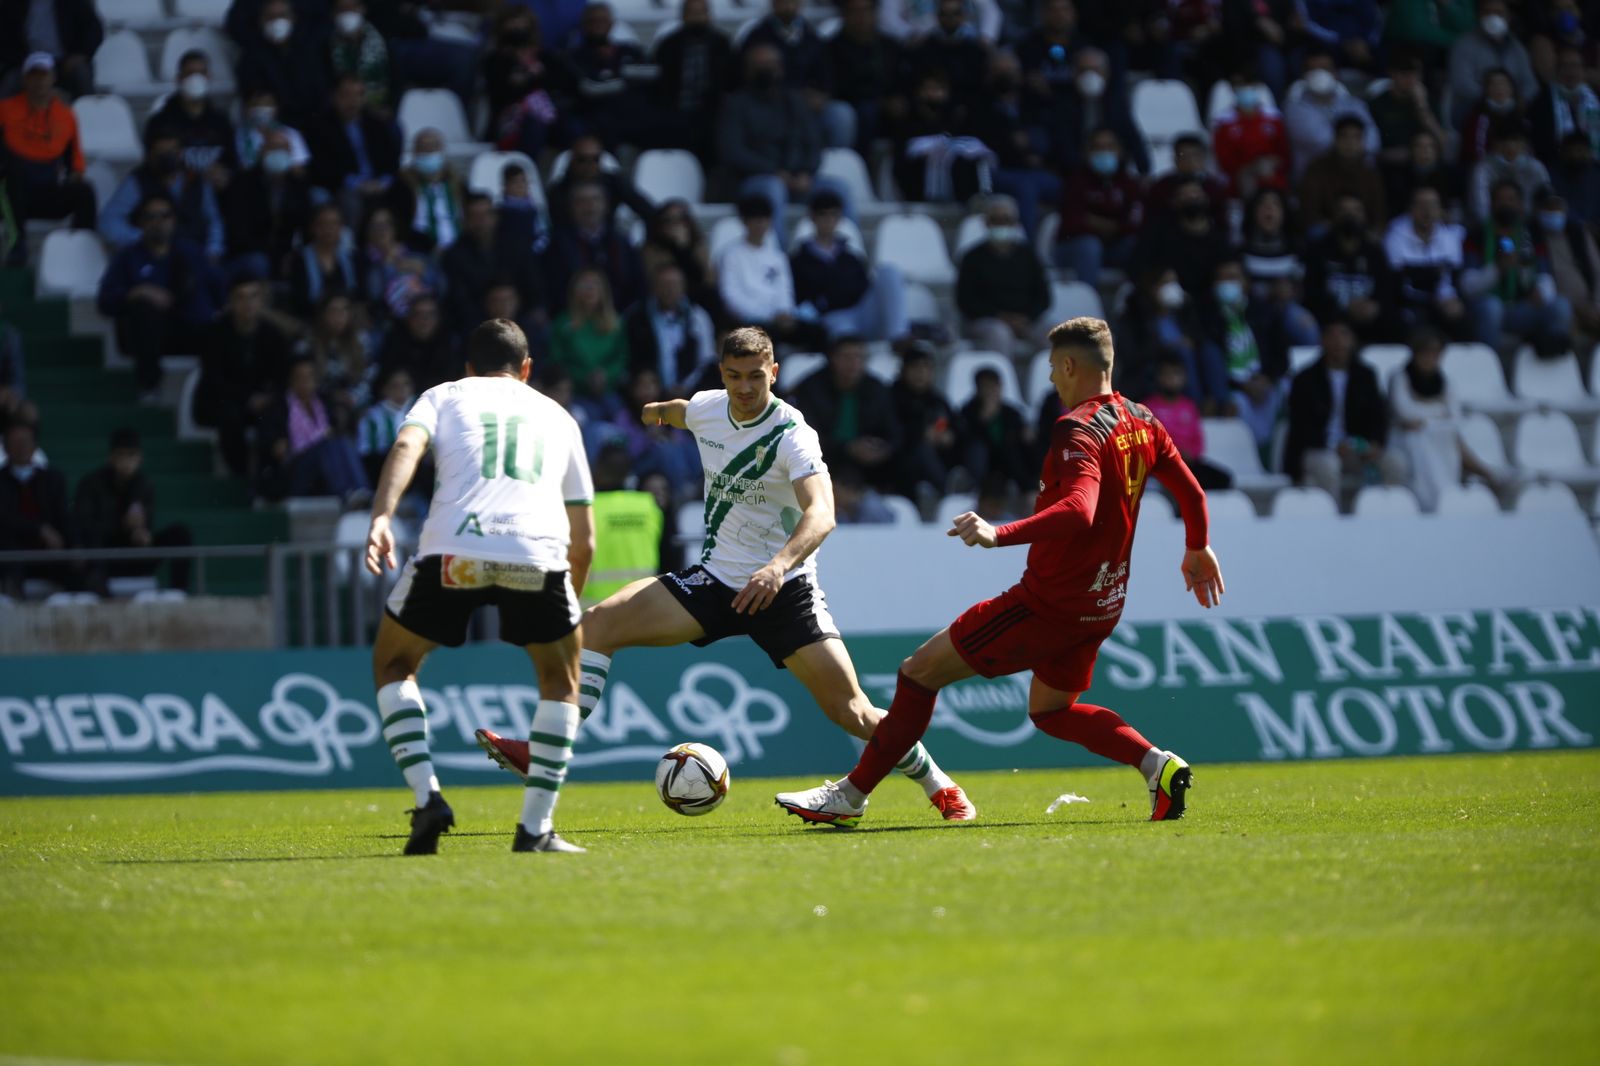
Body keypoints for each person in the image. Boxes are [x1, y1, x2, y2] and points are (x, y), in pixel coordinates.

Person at [474, 327, 976, 823]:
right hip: (714, 583)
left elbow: (822, 514)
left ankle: (942, 787)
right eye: (734, 376)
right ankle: (544, 752)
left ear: (774, 373)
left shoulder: (792, 434)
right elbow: (680, 412)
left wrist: (777, 568)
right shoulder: (708, 407)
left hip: (785, 591)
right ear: (722, 374)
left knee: (855, 712)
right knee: (597, 625)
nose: (745, 387)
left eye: (756, 376)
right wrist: (655, 414)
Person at [774, 317, 1219, 828]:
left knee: (918, 673)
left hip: (1047, 603)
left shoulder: (1077, 428)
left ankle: (850, 796)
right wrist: (1198, 546)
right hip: (1102, 603)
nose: (1052, 379)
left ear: (1071, 365)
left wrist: (997, 533)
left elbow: (1079, 509)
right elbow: (1192, 491)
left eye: (1054, 368)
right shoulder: (1143, 419)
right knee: (1051, 711)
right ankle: (1157, 765)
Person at [363, 318, 596, 854]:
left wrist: (382, 516)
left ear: (468, 367)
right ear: (528, 369)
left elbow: (405, 447)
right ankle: (535, 830)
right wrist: (569, 605)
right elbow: (584, 537)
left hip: (454, 553)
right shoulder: (559, 416)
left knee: (393, 665)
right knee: (561, 682)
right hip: (533, 555)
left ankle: (428, 799)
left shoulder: (443, 396)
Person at [97, 192, 217, 401]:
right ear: (141, 222)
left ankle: (211, 397)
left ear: (174, 220)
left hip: (188, 328)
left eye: (164, 216)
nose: (158, 222)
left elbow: (217, 289)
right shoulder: (128, 256)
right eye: (150, 217)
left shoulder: (191, 253)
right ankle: (149, 387)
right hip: (145, 335)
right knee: (144, 309)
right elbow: (104, 300)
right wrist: (137, 292)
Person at [717, 45, 833, 245]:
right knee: (774, 188)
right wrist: (774, 172)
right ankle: (780, 258)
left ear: (781, 68)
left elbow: (814, 143)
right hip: (753, 181)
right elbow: (733, 152)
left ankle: (850, 257)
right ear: (748, 70)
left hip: (798, 180)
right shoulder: (735, 105)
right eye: (760, 66)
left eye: (771, 65)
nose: (766, 70)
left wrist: (807, 172)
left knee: (838, 188)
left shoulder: (794, 102)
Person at [1284, 318, 1406, 498]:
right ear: (1322, 340)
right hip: (1317, 450)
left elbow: (1378, 416)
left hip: (1356, 450)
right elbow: (1300, 427)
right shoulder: (1305, 378)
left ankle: (1388, 515)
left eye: (1343, 334)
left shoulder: (1366, 375)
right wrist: (1332, 445)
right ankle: (1332, 520)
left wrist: (1374, 443)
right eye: (1332, 335)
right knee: (1328, 465)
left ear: (1352, 340)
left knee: (1396, 462)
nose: (1338, 341)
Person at [1388, 328, 1504, 512]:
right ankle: (1429, 499)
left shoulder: (1445, 381)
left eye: (1435, 352)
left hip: (1440, 434)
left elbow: (1455, 416)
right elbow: (1405, 412)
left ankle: (1446, 493)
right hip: (1406, 437)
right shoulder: (1400, 377)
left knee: (1443, 435)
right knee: (1420, 438)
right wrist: (1438, 414)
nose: (1430, 357)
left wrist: (1425, 419)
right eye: (1425, 352)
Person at [73, 428, 193, 595]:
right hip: (106, 557)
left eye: (132, 455)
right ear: (111, 457)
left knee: (181, 533)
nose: (127, 461)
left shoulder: (144, 484)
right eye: (121, 455)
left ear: (140, 458)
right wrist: (122, 524)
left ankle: (178, 594)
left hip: (135, 555)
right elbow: (86, 526)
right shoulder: (92, 483)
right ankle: (102, 595)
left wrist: (143, 533)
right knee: (93, 543)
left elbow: (147, 524)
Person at [0, 53, 94, 264]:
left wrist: (75, 176)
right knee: (11, 176)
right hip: (10, 194)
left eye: (44, 75)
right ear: (25, 79)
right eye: (34, 75)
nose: (39, 81)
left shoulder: (66, 116)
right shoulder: (4, 109)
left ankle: (82, 253)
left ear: (53, 78)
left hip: (46, 192)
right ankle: (17, 245)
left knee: (85, 192)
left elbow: (75, 165)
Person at [1462, 179, 1574, 354]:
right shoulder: (1477, 234)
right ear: (1492, 204)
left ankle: (1550, 362)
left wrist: (1541, 291)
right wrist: (1498, 268)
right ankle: (1490, 367)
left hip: (1521, 307)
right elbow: (1467, 286)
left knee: (1561, 306)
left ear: (1521, 204)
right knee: (1492, 307)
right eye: (1501, 199)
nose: (1506, 204)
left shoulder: (1531, 234)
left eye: (1512, 199)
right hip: (1485, 308)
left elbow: (1545, 275)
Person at [194, 275, 292, 475]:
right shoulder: (214, 334)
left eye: (253, 296)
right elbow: (213, 379)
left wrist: (266, 397)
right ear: (230, 302)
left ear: (261, 300)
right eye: (240, 297)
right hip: (224, 401)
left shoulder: (274, 336)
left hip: (263, 402)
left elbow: (283, 377)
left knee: (276, 413)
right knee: (230, 415)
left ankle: (271, 476)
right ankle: (240, 475)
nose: (247, 303)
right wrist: (246, 399)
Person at [790, 189, 909, 344]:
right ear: (813, 218)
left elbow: (864, 286)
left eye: (833, 215)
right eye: (823, 214)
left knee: (888, 272)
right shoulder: (799, 260)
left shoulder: (850, 256)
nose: (829, 220)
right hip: (833, 319)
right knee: (843, 335)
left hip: (861, 313)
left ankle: (899, 338)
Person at [790, 335, 903, 492]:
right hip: (825, 459)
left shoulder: (877, 389)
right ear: (832, 359)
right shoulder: (811, 389)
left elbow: (893, 432)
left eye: (859, 357)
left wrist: (882, 448)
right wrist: (847, 448)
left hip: (869, 465)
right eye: (847, 357)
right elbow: (803, 437)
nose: (853, 363)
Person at [718, 194, 827, 351]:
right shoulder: (731, 255)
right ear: (745, 222)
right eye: (755, 220)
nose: (760, 225)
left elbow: (785, 290)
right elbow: (731, 296)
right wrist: (768, 316)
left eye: (764, 219)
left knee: (818, 333)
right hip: (750, 321)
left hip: (779, 319)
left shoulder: (777, 256)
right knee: (767, 337)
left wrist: (784, 312)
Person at [742, 0, 854, 149]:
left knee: (841, 114)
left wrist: (822, 96)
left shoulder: (812, 37)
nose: (788, 5)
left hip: (808, 105)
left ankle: (834, 162)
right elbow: (749, 80)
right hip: (771, 104)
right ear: (773, 3)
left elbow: (827, 75)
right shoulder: (757, 37)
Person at [1199, 258, 1289, 441]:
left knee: (1285, 390)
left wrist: (1268, 378)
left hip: (1265, 382)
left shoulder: (1264, 311)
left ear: (1245, 282)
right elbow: (1212, 364)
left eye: (1232, 277)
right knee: (1237, 403)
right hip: (1233, 388)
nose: (1226, 283)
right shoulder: (1207, 317)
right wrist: (1241, 384)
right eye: (1221, 279)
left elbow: (1281, 354)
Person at [260, 359, 368, 502]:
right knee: (325, 446)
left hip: (325, 468)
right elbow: (278, 450)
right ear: (291, 381)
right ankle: (345, 494)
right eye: (300, 377)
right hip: (297, 470)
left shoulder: (324, 402)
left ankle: (362, 490)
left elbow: (335, 430)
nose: (306, 381)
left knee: (343, 441)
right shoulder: (278, 408)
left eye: (310, 376)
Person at [957, 195, 1052, 356]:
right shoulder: (971, 258)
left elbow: (1043, 297)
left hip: (1027, 319)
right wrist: (999, 317)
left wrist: (1026, 317)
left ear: (1015, 223)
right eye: (996, 219)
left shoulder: (1029, 256)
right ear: (986, 222)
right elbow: (965, 300)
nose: (1001, 224)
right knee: (999, 334)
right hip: (987, 320)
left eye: (1006, 220)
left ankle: (1055, 381)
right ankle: (1002, 380)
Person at [440, 193, 544, 338]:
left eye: (485, 215)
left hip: (520, 316)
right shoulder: (454, 256)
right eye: (474, 216)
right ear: (465, 221)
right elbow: (460, 300)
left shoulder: (516, 246)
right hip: (476, 323)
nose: (480, 221)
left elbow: (532, 284)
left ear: (495, 217)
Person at [222, 126, 315, 282]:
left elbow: (305, 225)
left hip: (285, 252)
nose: (278, 153)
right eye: (273, 148)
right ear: (261, 152)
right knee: (258, 262)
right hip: (249, 253)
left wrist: (295, 254)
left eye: (283, 149)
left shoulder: (298, 186)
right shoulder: (242, 183)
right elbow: (238, 232)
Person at [1303, 194, 1399, 344]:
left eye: (1356, 210)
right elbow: (1312, 293)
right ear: (1334, 216)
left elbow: (1386, 289)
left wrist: (1374, 306)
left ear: (1365, 217)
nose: (1350, 215)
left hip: (1369, 320)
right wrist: (1345, 308)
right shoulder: (1318, 250)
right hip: (1332, 319)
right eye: (1344, 210)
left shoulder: (1375, 252)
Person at [1055, 126, 1143, 286]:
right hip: (1076, 249)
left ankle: (1135, 303)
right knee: (1090, 246)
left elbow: (1134, 224)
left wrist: (1097, 222)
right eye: (1098, 148)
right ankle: (1087, 304)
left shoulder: (1130, 184)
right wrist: (1113, 226)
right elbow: (1072, 223)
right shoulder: (1076, 181)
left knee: (1138, 245)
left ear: (1120, 151)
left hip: (1115, 248)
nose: (1104, 153)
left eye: (1110, 147)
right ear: (1088, 153)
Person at [308, 74, 402, 222]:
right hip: (345, 186)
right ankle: (353, 244)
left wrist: (383, 182)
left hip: (378, 183)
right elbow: (323, 168)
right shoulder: (321, 127)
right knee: (350, 202)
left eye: (358, 95)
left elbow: (392, 160)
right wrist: (357, 184)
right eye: (347, 95)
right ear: (334, 97)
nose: (353, 101)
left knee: (402, 192)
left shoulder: (377, 125)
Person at [0, 418, 76, 596]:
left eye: (26, 442)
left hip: (49, 553)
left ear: (35, 446)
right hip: (11, 555)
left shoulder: (53, 479)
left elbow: (64, 516)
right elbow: (4, 519)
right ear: (6, 447)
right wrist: (38, 529)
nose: (21, 447)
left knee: (80, 566)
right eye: (15, 443)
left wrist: (75, 545)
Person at [545, 180, 644, 314]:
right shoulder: (557, 244)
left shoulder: (622, 242)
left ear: (606, 205)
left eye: (595, 199)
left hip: (619, 317)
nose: (589, 206)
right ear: (571, 207)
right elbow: (554, 288)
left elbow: (635, 283)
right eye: (582, 201)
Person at [653, 0, 735, 161]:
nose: (697, 18)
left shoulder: (722, 44)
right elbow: (658, 84)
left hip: (714, 115)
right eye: (692, 13)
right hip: (676, 113)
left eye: (701, 13)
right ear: (683, 16)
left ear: (709, 15)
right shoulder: (668, 45)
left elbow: (732, 81)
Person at [1386, 185, 1470, 338]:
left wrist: (1449, 299)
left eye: (1432, 205)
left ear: (1440, 210)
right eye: (1422, 205)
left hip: (1440, 302)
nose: (1427, 211)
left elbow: (1451, 280)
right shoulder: (1395, 236)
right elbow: (1397, 283)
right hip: (1407, 302)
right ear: (1411, 209)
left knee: (1460, 315)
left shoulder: (1450, 238)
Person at [1141, 355, 1233, 490]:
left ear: (1184, 378)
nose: (1172, 379)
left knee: (1223, 479)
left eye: (1176, 374)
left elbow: (1198, 441)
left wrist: (1191, 454)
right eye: (1167, 374)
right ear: (1159, 378)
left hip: (1188, 463)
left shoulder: (1189, 407)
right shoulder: (1147, 407)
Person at [624, 262, 717, 396]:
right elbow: (630, 360)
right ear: (654, 287)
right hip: (649, 394)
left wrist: (687, 387)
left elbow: (706, 360)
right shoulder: (636, 318)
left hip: (691, 393)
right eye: (664, 284)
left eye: (674, 284)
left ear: (683, 287)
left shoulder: (698, 317)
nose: (669, 289)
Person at [145, 51, 238, 184]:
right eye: (190, 73)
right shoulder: (160, 122)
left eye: (201, 73)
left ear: (209, 77)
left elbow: (232, 163)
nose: (196, 78)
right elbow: (151, 165)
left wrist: (223, 175)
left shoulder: (221, 122)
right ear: (179, 78)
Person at [1284, 50, 1379, 180]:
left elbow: (1373, 140)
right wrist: (1355, 144)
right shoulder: (1295, 108)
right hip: (1314, 180)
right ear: (1304, 75)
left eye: (1325, 69)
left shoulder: (1355, 104)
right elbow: (1320, 141)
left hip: (1356, 178)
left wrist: (1353, 147)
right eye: (1314, 70)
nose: (1320, 74)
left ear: (1335, 73)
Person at [1447, 0, 1538, 127]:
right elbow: (1461, 83)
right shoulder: (1463, 44)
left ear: (1508, 16)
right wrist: (1491, 99)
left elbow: (1530, 84)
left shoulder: (1517, 48)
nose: (1493, 17)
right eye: (1487, 12)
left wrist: (1517, 100)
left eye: (1498, 12)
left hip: (1513, 108)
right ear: (1479, 16)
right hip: (1475, 107)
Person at [237, 0, 327, 127]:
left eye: (282, 15)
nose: (277, 22)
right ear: (261, 20)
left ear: (293, 18)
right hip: (275, 129)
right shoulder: (251, 60)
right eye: (270, 17)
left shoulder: (310, 53)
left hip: (314, 125)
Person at [549, 267, 630, 403]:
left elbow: (623, 357)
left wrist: (606, 375)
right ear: (574, 290)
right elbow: (556, 360)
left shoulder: (616, 323)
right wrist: (584, 377)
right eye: (584, 284)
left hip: (610, 392)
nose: (590, 288)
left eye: (595, 283)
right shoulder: (562, 323)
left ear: (604, 290)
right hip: (574, 395)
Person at [891, 343, 958, 500]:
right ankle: (947, 490)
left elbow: (953, 423)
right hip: (902, 460)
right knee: (921, 449)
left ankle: (961, 483)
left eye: (926, 368)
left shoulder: (937, 399)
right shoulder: (891, 397)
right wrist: (921, 433)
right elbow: (892, 431)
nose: (921, 373)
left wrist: (948, 435)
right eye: (915, 368)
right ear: (903, 370)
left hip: (938, 456)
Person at [1299, 115, 1387, 235]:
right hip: (1327, 231)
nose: (1350, 143)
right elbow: (1309, 211)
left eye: (1356, 137)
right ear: (1335, 139)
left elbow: (1378, 214)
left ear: (1362, 142)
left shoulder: (1370, 173)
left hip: (1361, 232)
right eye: (1344, 136)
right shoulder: (1317, 169)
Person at [1536, 188, 1600, 350]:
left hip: (1590, 306)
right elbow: (1541, 282)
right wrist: (1577, 311)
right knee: (1563, 314)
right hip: (1560, 306)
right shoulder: (1533, 237)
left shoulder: (1578, 233)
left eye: (1557, 208)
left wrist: (1595, 305)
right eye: (1548, 209)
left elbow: (1597, 271)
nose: (1553, 213)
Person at [384, 127, 465, 253]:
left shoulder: (459, 184)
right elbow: (401, 225)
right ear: (415, 153)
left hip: (459, 250)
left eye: (433, 147)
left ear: (442, 151)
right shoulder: (402, 187)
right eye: (423, 148)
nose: (429, 152)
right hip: (420, 251)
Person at [0, 0, 102, 99]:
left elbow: (93, 29)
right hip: (26, 61)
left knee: (82, 74)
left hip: (64, 62)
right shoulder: (13, 3)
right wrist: (21, 60)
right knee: (10, 81)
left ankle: (90, 112)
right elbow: (5, 38)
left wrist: (81, 54)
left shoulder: (73, 2)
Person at [1212, 73, 1291, 198]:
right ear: (1233, 89)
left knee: (1268, 173)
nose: (1246, 90)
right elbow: (1224, 159)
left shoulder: (1274, 118)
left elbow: (1284, 153)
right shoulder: (1223, 122)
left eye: (1249, 86)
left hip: (1271, 173)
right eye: (1241, 86)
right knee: (1247, 178)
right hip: (1240, 178)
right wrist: (1251, 167)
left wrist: (1271, 163)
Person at [956, 366, 1032, 493]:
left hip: (1005, 461)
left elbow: (1020, 433)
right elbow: (965, 439)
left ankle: (1027, 488)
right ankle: (975, 488)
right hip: (983, 461)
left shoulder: (1010, 412)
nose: (991, 391)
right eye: (986, 386)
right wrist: (984, 420)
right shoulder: (968, 411)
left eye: (994, 386)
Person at [1468, 121, 1552, 222]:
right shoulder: (1482, 169)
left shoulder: (1536, 168)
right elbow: (1480, 208)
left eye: (1515, 140)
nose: (1510, 146)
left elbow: (1547, 204)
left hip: (1529, 227)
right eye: (1503, 141)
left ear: (1525, 144)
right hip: (1491, 227)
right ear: (1494, 144)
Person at [288, 203, 360, 317]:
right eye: (324, 224)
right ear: (313, 228)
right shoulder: (300, 260)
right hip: (312, 319)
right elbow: (300, 301)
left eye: (334, 224)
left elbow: (355, 293)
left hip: (346, 319)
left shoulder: (351, 258)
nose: (329, 229)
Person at [378, 294, 461, 393]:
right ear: (409, 318)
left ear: (438, 318)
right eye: (418, 314)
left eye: (430, 314)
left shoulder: (449, 346)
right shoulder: (395, 345)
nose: (424, 320)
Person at [1532, 45, 1600, 164]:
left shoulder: (1596, 99)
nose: (1571, 71)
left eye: (1575, 66)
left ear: (1584, 70)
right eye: (1565, 66)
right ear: (1557, 70)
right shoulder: (1542, 102)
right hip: (1556, 165)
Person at [328, 0, 390, 112]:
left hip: (377, 110)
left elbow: (394, 79)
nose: (348, 14)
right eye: (343, 9)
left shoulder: (382, 41)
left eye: (352, 8)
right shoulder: (325, 45)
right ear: (334, 13)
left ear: (363, 8)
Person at [356, 366, 414, 486]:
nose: (401, 390)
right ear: (384, 390)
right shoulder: (371, 417)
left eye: (405, 385)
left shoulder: (418, 410)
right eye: (395, 386)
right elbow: (366, 454)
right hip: (381, 466)